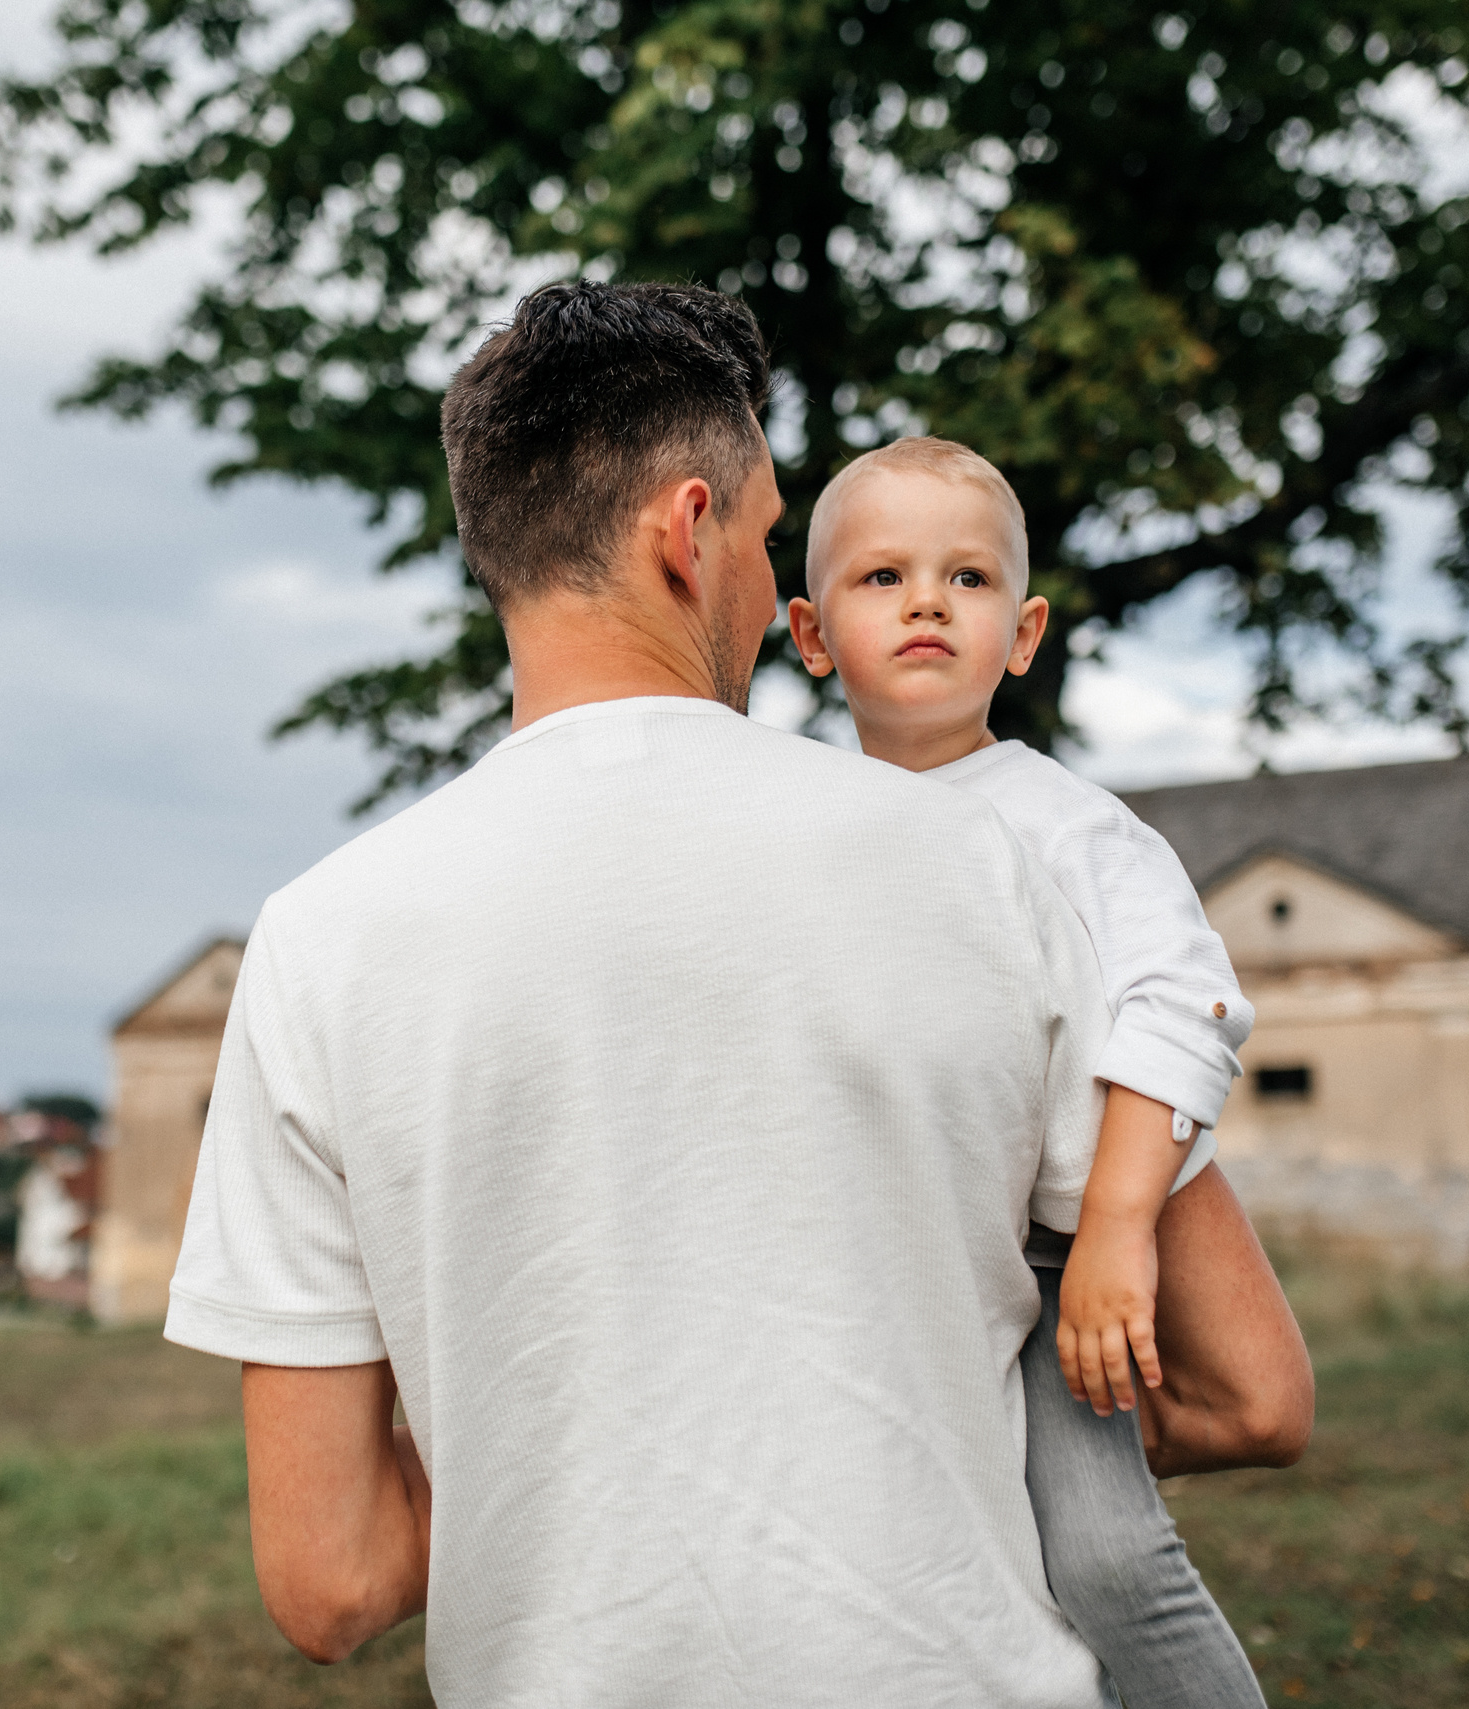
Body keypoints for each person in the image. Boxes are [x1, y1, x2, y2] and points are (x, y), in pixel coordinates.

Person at [165, 280, 1301, 1706]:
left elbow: (329, 1584)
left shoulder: (317, 943)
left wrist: (575, 1459)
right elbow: (1251, 1389)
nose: (779, 597)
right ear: (688, 534)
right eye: (773, 544)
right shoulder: (994, 864)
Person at [788, 435, 1312, 1705]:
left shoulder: (1070, 827)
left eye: (966, 579)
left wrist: (1119, 1231)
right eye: (882, 578)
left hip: (1060, 1252)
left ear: (1020, 636)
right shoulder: (802, 835)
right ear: (808, 633)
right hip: (909, 1259)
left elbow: (1186, 1006)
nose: (925, 601)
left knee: (1107, 1555)